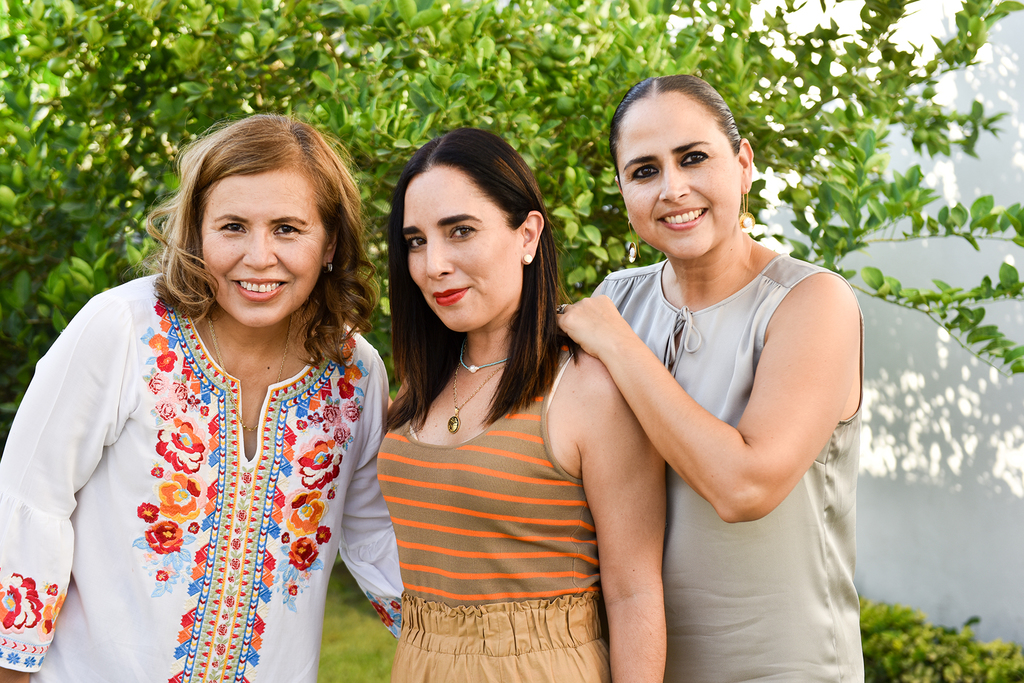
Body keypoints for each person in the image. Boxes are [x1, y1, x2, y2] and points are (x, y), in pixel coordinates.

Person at [0, 114, 402, 682]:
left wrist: (477, 642)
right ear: (197, 232)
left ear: (331, 242)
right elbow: (29, 506)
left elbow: (375, 536)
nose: (259, 256)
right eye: (233, 226)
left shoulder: (354, 374)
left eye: (288, 228)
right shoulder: (123, 329)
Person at [556, 75, 864, 681]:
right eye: (644, 171)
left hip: (785, 667)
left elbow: (744, 488)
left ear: (743, 163)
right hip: (639, 664)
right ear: (622, 188)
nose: (673, 189)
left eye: (694, 158)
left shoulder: (811, 303)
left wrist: (619, 344)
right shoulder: (616, 298)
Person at [378, 127, 666, 682]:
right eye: (416, 241)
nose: (433, 264)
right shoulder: (421, 384)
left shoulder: (585, 387)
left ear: (527, 235)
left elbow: (633, 594)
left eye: (460, 231)